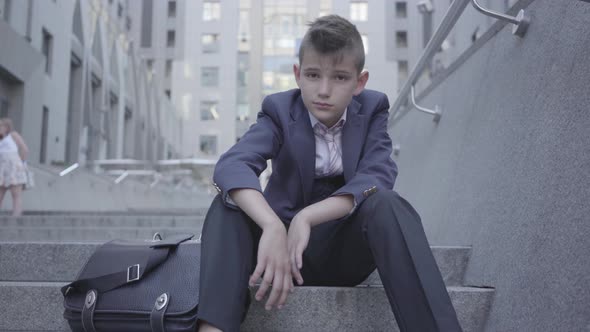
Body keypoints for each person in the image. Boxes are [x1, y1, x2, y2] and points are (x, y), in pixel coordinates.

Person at [197, 15, 462, 332]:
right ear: (297, 75)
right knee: (226, 207)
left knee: (389, 204)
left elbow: (376, 176)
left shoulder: (373, 109)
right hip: (275, 253)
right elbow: (233, 164)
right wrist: (272, 226)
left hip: (340, 250)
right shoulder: (280, 109)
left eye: (339, 78)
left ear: (359, 83)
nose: (323, 90)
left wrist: (306, 217)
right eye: (312, 75)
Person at [0, 118, 29, 216]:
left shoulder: (13, 135)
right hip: (2, 167)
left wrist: (21, 163)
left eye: (1, 125)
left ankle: (16, 216)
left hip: (14, 166)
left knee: (16, 193)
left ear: (6, 127)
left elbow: (24, 149)